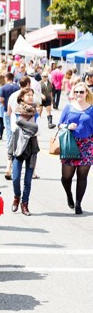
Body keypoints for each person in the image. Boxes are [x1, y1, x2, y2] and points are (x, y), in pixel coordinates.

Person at [58, 82, 93, 215]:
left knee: (82, 176)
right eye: (77, 92)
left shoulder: (91, 109)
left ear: (86, 93)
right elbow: (59, 125)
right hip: (70, 143)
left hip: (87, 144)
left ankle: (78, 204)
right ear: (73, 93)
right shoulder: (68, 107)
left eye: (81, 92)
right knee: (66, 177)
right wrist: (67, 126)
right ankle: (69, 195)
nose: (79, 94)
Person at [9, 89, 41, 216]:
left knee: (28, 179)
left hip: (32, 148)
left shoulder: (36, 113)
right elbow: (14, 128)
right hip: (18, 148)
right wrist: (31, 128)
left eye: (32, 95)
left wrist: (23, 125)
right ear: (21, 97)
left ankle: (25, 204)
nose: (30, 97)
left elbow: (38, 131)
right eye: (28, 95)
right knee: (15, 177)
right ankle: (16, 196)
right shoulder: (16, 113)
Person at [0, 72, 20, 177]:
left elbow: (1, 99)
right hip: (17, 111)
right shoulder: (17, 87)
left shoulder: (4, 87)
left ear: (7, 78)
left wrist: (4, 104)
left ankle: (10, 148)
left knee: (8, 130)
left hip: (7, 111)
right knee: (16, 129)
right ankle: (14, 146)